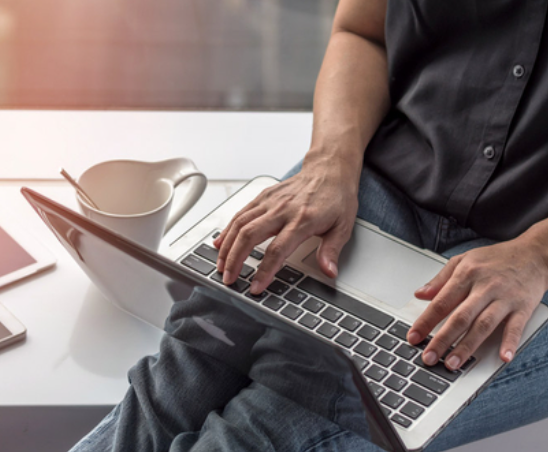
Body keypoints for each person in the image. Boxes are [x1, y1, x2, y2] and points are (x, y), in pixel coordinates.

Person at [70, 0, 548, 450]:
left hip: (531, 256)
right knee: (185, 370)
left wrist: (538, 253)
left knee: (284, 422)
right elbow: (362, 30)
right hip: (378, 179)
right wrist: (328, 161)